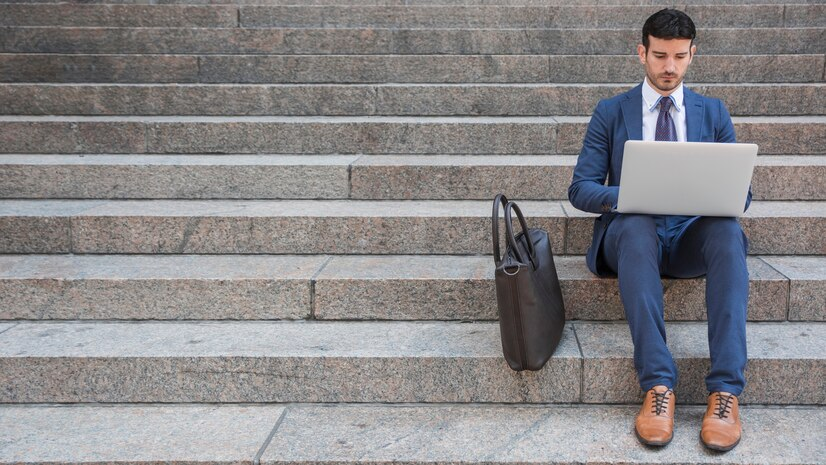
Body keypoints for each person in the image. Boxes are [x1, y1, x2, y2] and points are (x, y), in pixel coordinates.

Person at [568, 8, 748, 451]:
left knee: (727, 232)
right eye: (661, 56)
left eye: (680, 57)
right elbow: (581, 188)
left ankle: (725, 391)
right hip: (632, 237)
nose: (670, 67)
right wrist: (626, 195)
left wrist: (718, 194)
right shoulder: (611, 111)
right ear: (642, 53)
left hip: (689, 237)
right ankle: (658, 387)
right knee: (635, 222)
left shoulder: (713, 111)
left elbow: (741, 194)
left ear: (692, 55)